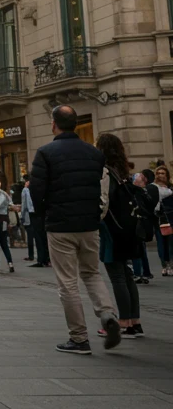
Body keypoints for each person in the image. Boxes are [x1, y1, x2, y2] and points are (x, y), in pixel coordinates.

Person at [29, 105, 120, 354]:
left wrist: (44, 213)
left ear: (53, 124)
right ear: (76, 124)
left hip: (60, 225)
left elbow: (37, 191)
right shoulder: (94, 153)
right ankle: (108, 314)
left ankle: (79, 338)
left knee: (68, 282)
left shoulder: (46, 152)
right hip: (89, 225)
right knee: (92, 273)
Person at [96, 133, 144, 339]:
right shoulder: (123, 170)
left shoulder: (105, 172)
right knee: (126, 274)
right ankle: (135, 322)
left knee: (117, 275)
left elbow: (103, 201)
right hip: (128, 228)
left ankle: (124, 323)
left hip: (111, 229)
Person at [154, 164, 173, 275]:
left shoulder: (170, 188)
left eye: (163, 173)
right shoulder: (153, 187)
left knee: (170, 243)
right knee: (161, 244)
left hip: (170, 219)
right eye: (158, 173)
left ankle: (171, 264)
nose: (160, 175)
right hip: (158, 220)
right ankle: (164, 265)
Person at [20, 175, 36, 261]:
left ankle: (31, 255)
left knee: (29, 235)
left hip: (28, 214)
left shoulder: (25, 190)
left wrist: (21, 216)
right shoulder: (35, 189)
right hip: (35, 213)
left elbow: (24, 204)